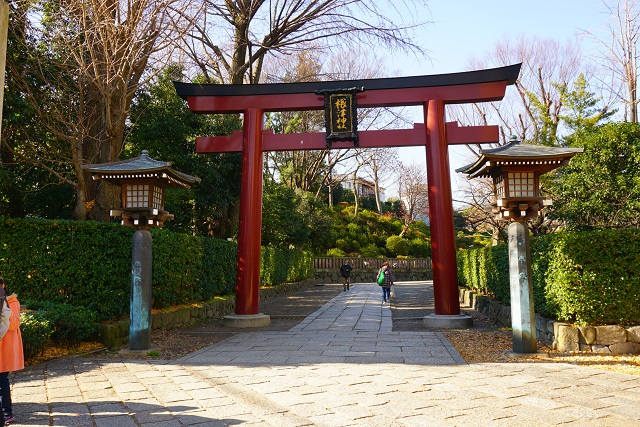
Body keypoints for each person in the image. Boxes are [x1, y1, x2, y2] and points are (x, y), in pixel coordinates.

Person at [0, 278, 24, 425]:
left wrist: (5, 311)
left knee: (2, 380)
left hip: (5, 348)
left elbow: (15, 323)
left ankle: (7, 413)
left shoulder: (12, 302)